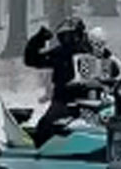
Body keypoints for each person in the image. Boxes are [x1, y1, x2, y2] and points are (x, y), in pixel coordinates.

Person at [22, 18, 115, 146]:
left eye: (71, 36)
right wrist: (38, 40)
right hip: (66, 100)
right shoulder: (61, 53)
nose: (69, 40)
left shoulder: (94, 52)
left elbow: (113, 70)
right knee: (45, 128)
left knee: (45, 128)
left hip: (89, 102)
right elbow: (32, 60)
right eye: (65, 36)